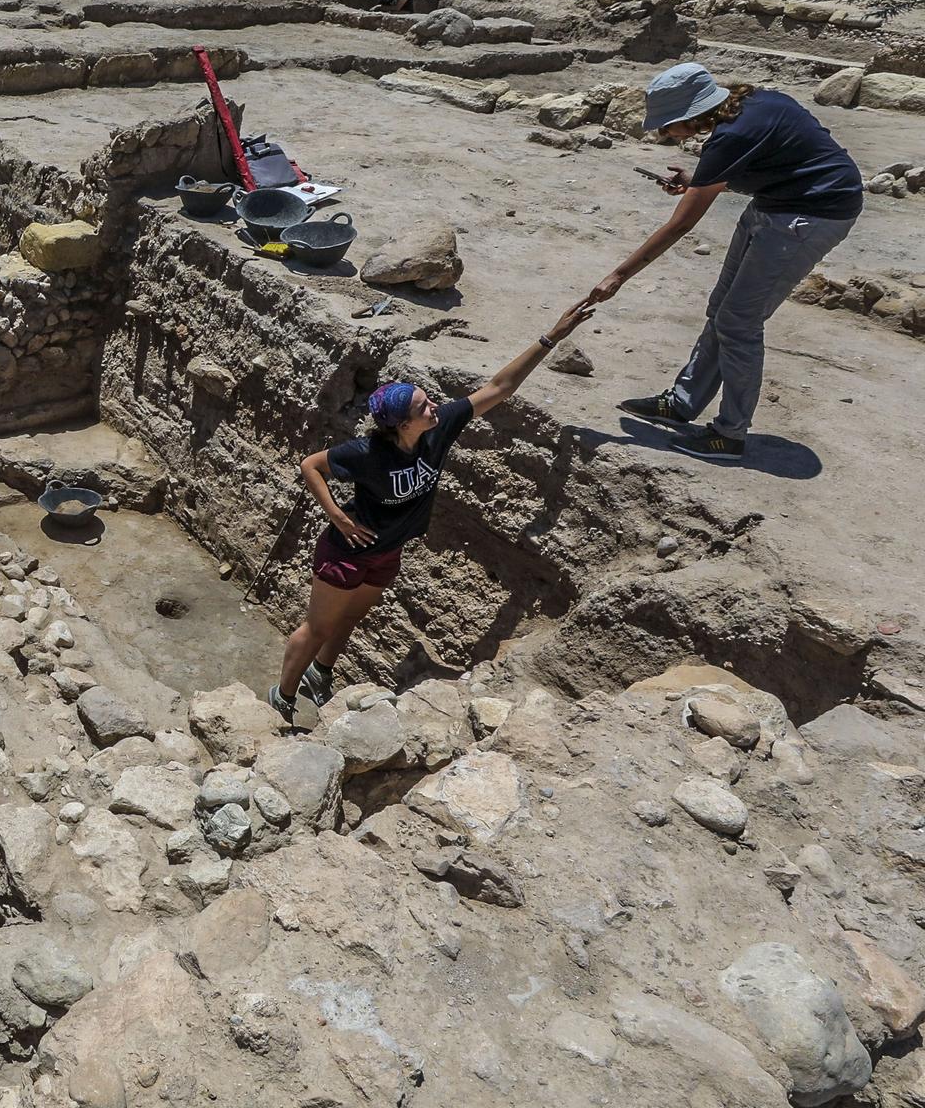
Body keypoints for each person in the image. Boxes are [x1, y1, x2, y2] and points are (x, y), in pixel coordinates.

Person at [271, 304, 596, 722]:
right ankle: (282, 696)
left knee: (352, 616)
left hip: (387, 550)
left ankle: (321, 674)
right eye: (424, 407)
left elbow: (500, 387)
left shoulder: (438, 429)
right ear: (402, 424)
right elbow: (311, 465)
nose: (434, 408)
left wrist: (551, 337)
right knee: (317, 628)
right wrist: (336, 515)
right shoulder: (367, 453)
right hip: (346, 553)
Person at [586, 62, 863, 463]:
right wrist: (698, 181)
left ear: (689, 116)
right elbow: (773, 158)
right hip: (777, 203)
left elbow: (681, 224)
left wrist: (618, 276)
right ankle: (682, 402)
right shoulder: (753, 103)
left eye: (667, 126)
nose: (665, 134)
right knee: (721, 309)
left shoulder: (731, 136)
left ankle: (730, 435)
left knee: (739, 322)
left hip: (813, 215)